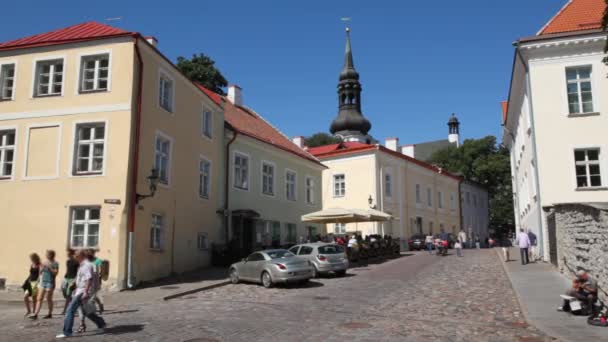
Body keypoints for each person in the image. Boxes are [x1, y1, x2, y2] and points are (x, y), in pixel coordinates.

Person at [56, 250, 106, 338]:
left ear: (80, 256)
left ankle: (67, 332)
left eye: (76, 256)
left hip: (83, 291)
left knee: (70, 310)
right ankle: (101, 323)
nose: (74, 257)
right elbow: (82, 278)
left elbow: (89, 279)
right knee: (87, 311)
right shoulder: (83, 265)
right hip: (81, 290)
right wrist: (75, 285)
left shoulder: (86, 265)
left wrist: (86, 292)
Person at [31, 250, 59, 320]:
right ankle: (36, 314)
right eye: (46, 254)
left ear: (51, 255)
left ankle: (50, 313)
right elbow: (40, 272)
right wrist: (41, 269)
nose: (46, 255)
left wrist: (49, 268)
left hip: (50, 282)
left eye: (47, 254)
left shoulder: (55, 263)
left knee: (48, 299)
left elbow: (55, 273)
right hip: (43, 282)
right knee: (39, 298)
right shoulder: (44, 262)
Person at [22, 253, 41, 317]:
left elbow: (39, 275)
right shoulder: (32, 264)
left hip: (34, 282)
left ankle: (34, 312)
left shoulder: (39, 265)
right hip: (29, 281)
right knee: (25, 297)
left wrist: (37, 282)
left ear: (35, 258)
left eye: (32, 258)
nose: (31, 259)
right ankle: (28, 310)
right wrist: (26, 280)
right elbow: (30, 273)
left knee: (34, 299)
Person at [61, 249, 79, 315]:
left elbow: (78, 271)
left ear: (71, 254)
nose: (67, 254)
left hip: (72, 279)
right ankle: (74, 307)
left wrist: (75, 280)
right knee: (65, 293)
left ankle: (65, 310)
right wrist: (64, 278)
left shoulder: (76, 262)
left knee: (69, 295)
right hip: (66, 278)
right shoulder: (68, 261)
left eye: (68, 253)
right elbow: (68, 270)